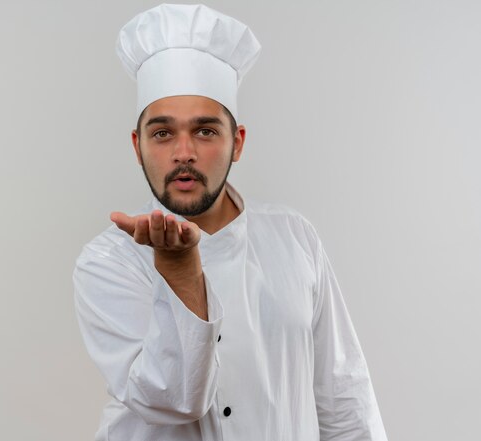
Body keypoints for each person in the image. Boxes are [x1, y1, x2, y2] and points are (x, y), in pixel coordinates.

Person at [74, 4, 388, 440]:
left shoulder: (294, 237)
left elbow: (343, 396)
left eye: (205, 131)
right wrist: (181, 273)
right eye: (163, 133)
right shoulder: (107, 260)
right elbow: (172, 401)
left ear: (236, 142)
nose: (184, 152)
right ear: (138, 145)